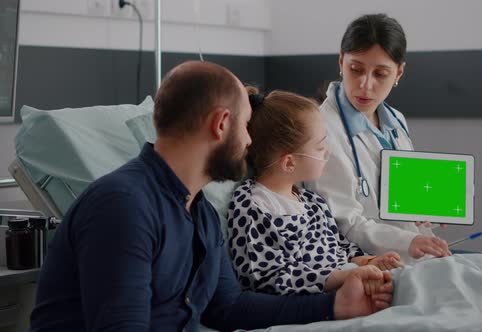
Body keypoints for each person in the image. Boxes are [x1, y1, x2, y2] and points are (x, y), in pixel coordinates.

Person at [29, 61, 394, 332]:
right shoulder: (124, 206)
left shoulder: (198, 213)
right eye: (245, 126)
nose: (250, 142)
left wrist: (332, 305)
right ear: (221, 125)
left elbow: (229, 307)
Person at [227, 87, 403, 296]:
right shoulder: (253, 205)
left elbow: (337, 247)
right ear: (289, 163)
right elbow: (263, 277)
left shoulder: (311, 202)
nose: (327, 151)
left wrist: (366, 260)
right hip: (314, 301)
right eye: (320, 147)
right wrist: (341, 277)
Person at [305, 14, 451, 262]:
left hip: (413, 253)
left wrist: (423, 210)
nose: (365, 84)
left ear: (399, 73)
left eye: (381, 74)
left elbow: (403, 197)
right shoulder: (320, 129)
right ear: (341, 61)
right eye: (355, 69)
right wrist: (410, 240)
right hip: (368, 263)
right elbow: (344, 222)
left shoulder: (396, 121)